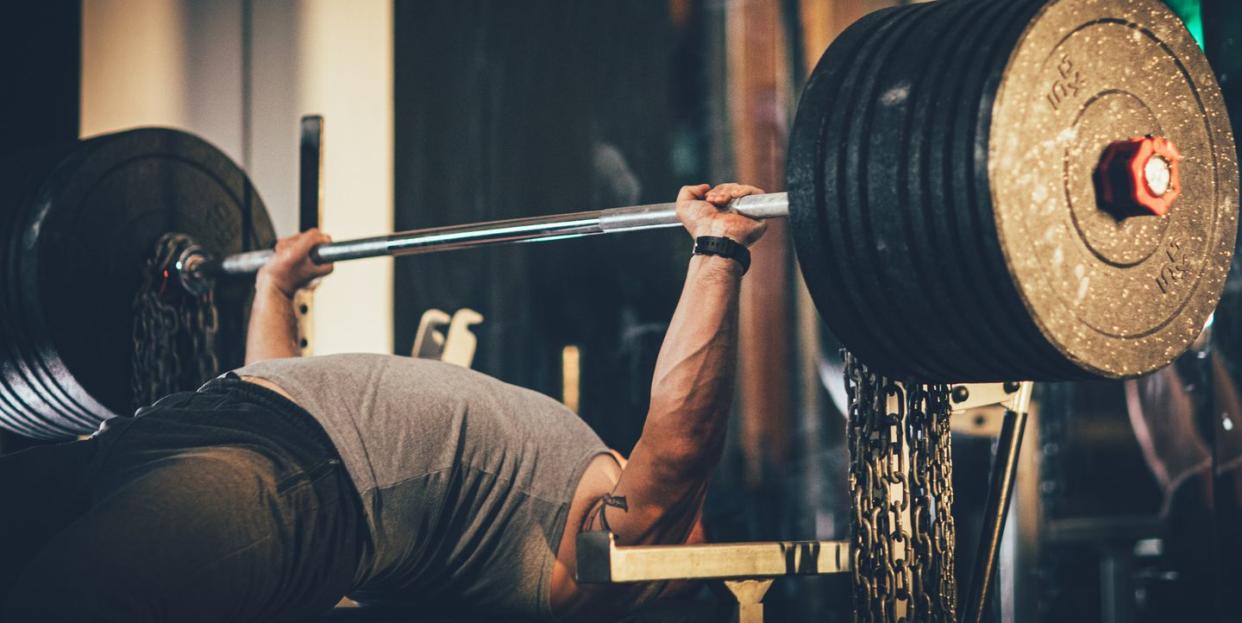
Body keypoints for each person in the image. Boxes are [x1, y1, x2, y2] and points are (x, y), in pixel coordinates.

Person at [0, 183, 767, 622]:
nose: (689, 527)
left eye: (690, 542)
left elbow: (679, 448)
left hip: (302, 489)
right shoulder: (575, 480)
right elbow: (298, 396)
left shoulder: (594, 571)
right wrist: (275, 287)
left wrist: (718, 252)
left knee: (58, 600)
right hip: (209, 428)